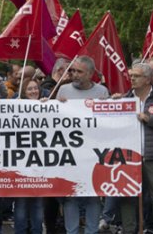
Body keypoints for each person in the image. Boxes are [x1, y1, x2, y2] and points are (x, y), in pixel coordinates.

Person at [56, 56, 109, 234]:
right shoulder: (63, 90)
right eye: (73, 71)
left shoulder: (102, 92)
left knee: (93, 196)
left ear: (91, 74)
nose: (74, 75)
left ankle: (91, 231)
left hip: (92, 154)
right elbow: (52, 120)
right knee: (70, 196)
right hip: (69, 153)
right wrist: (52, 106)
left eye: (79, 72)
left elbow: (108, 123)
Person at [113, 62, 153, 234]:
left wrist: (149, 119)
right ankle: (129, 230)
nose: (132, 78)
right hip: (128, 157)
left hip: (152, 157)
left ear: (147, 79)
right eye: (131, 75)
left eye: (136, 76)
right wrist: (113, 104)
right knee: (127, 196)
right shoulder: (125, 98)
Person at [13, 79, 44, 234]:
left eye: (35, 88)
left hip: (39, 167)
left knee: (38, 205)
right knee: (21, 205)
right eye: (29, 89)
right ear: (24, 92)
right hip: (21, 167)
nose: (33, 91)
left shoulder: (47, 105)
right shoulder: (16, 107)